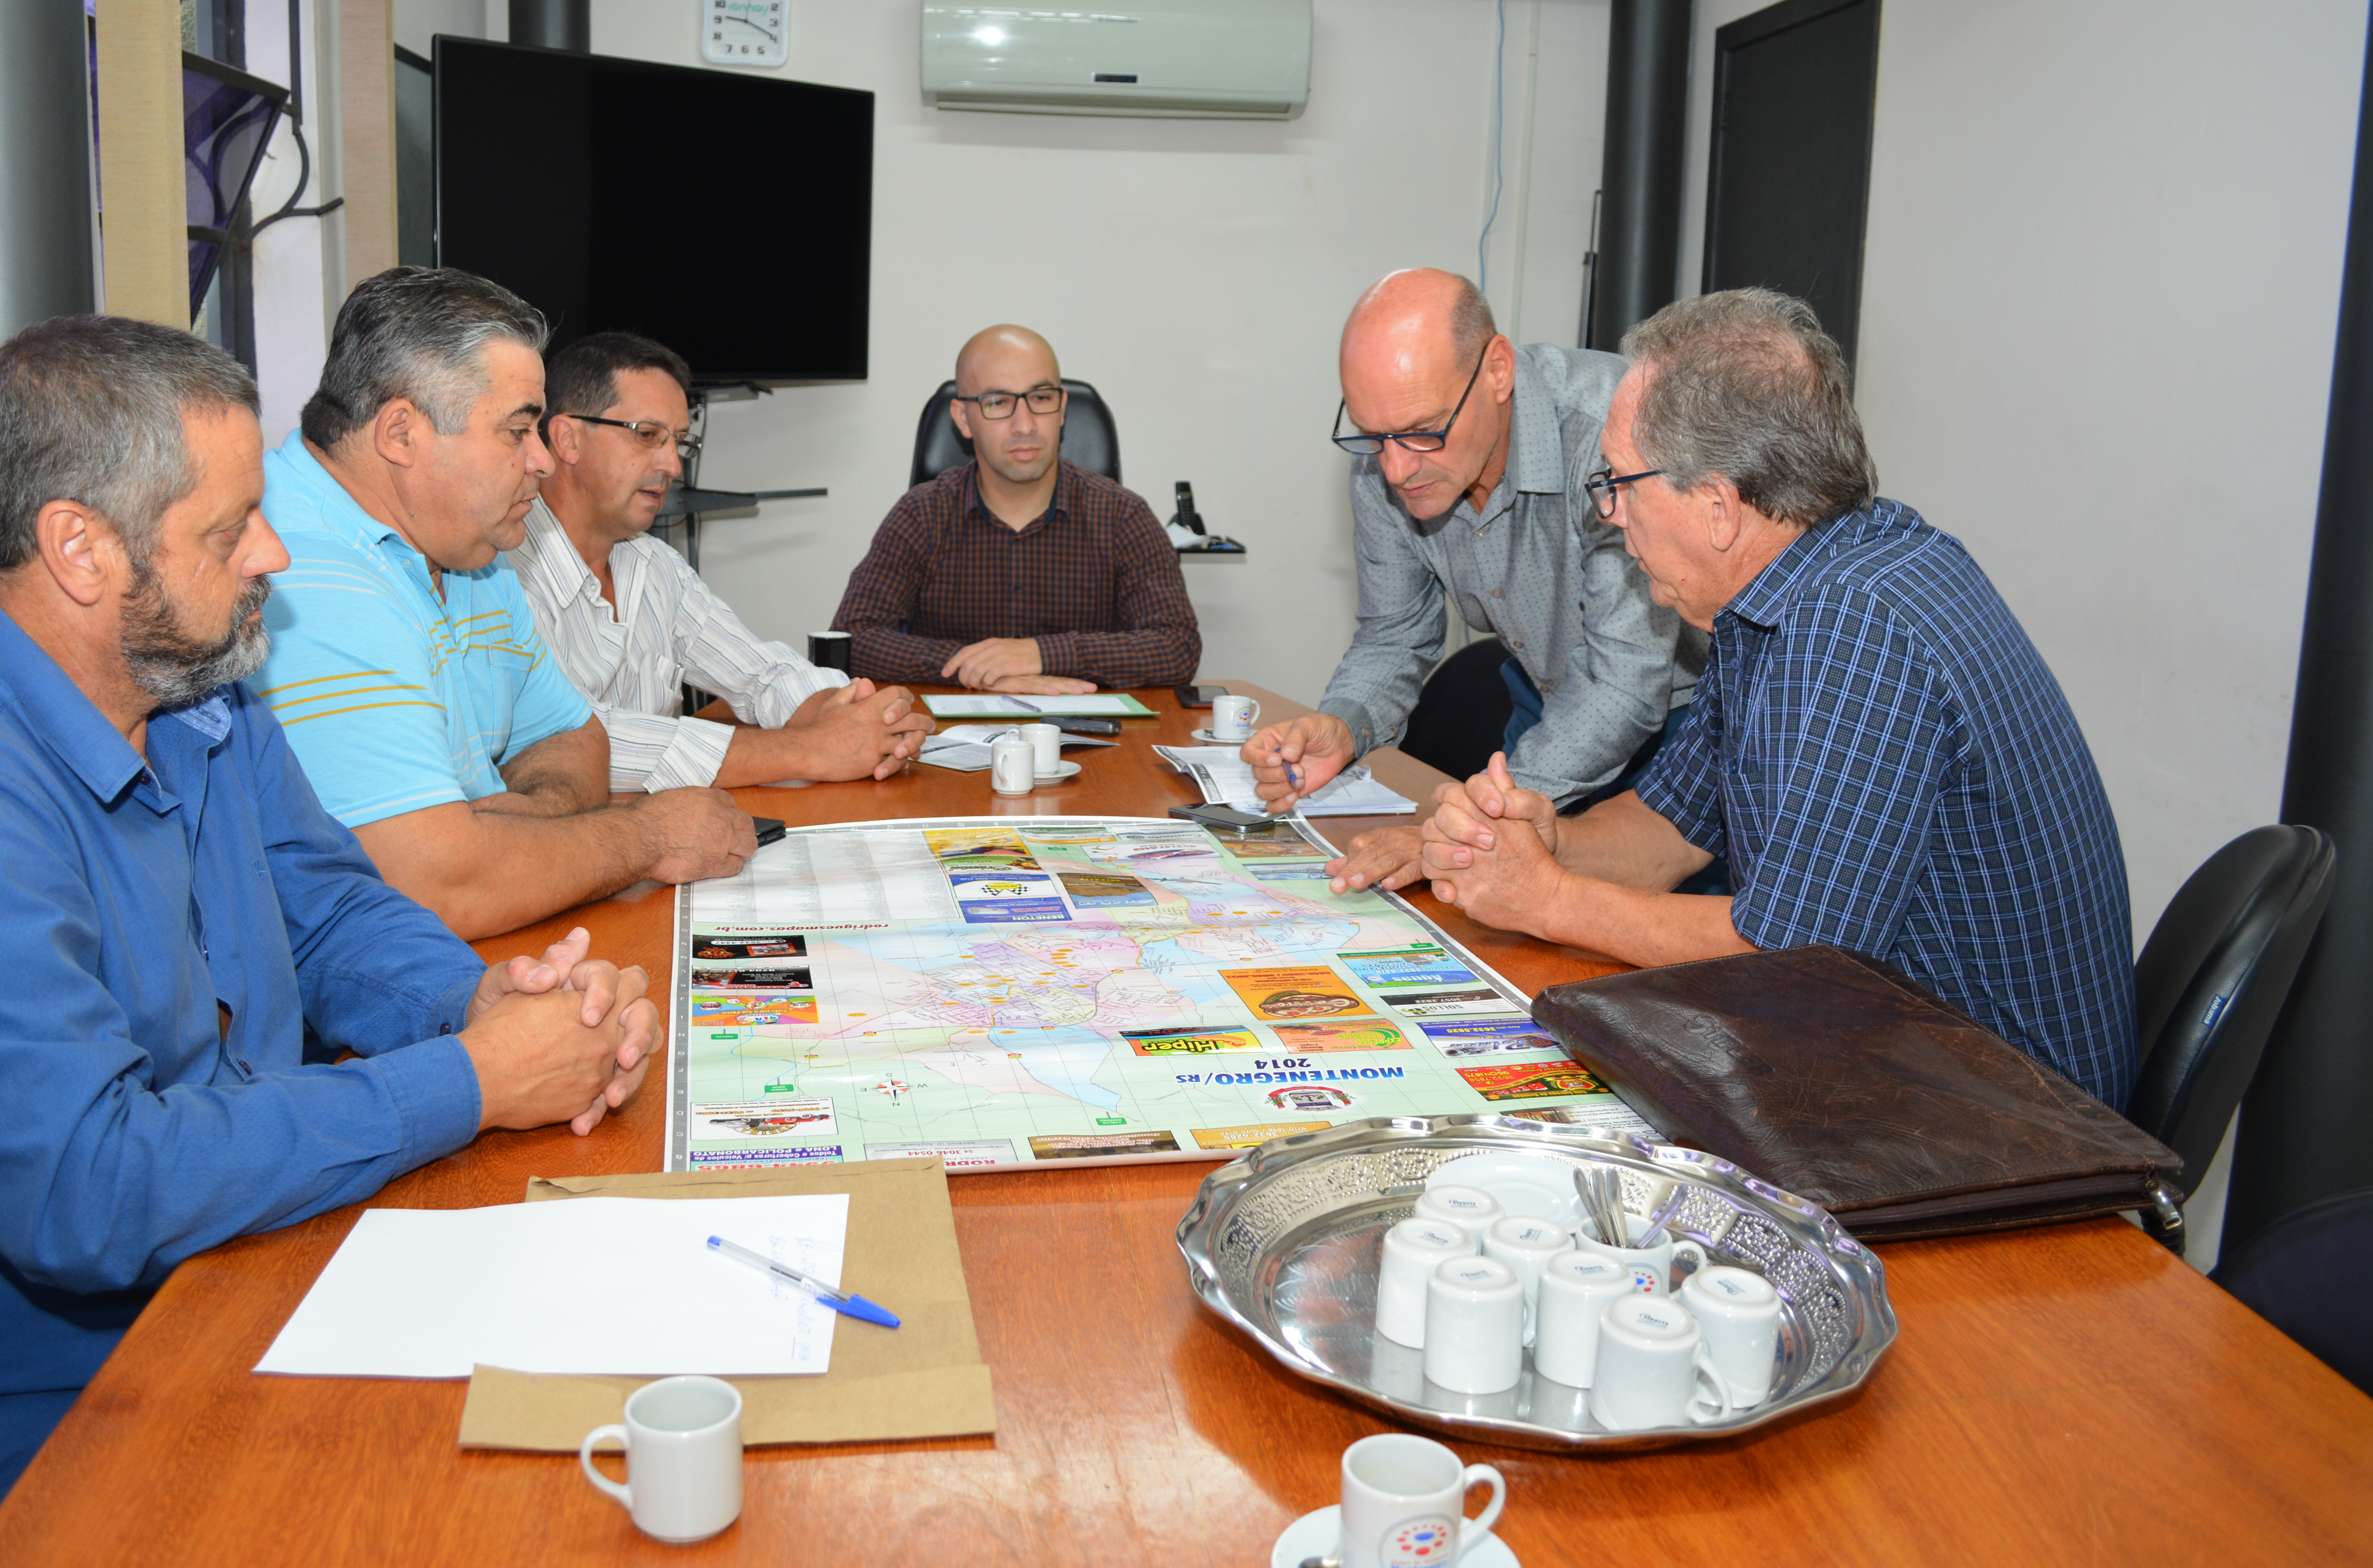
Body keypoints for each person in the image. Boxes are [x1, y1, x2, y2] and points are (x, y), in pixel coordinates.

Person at [0, 317, 663, 1567]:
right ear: (80, 549)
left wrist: (482, 1002)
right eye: (229, 527)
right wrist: (470, 1081)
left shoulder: (196, 694)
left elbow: (333, 906)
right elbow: (94, 1187)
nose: (274, 552)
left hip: (221, 1299)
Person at [1419, 290, 2136, 1107]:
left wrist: (1547, 899)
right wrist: (1546, 842)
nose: (1610, 516)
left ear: (1719, 507)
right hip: (1908, 1060)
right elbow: (1673, 827)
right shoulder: (1793, 588)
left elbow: (1785, 963)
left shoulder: (1851, 626)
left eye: (1619, 484)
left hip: (2005, 1116)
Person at [253, 268, 754, 940]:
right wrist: (647, 836)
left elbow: (577, 745)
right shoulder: (297, 568)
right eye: (519, 431)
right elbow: (439, 887)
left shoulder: (465, 545)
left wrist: (489, 829)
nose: (543, 461)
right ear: (401, 434)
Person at [1243, 270, 1698, 895]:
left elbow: (1624, 682)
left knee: (1658, 957)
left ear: (1499, 371)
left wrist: (1464, 822)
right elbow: (1396, 633)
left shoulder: (1609, 438)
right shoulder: (1388, 456)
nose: (1398, 468)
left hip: (1690, 727)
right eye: (1375, 436)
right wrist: (1345, 726)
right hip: (1550, 708)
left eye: (1423, 431)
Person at [513, 331, 934, 791]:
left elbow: (761, 674)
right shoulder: (502, 575)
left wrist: (854, 714)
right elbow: (576, 743)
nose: (673, 465)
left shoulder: (656, 566)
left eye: (679, 442)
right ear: (567, 439)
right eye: (649, 436)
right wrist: (816, 749)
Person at [831, 324, 1200, 693]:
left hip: (1094, 739)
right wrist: (975, 666)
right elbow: (852, 638)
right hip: (951, 740)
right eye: (998, 402)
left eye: (1040, 399)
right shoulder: (922, 515)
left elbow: (1177, 646)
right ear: (963, 419)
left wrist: (1044, 653)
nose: (1024, 425)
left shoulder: (1123, 516)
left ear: (1062, 409)